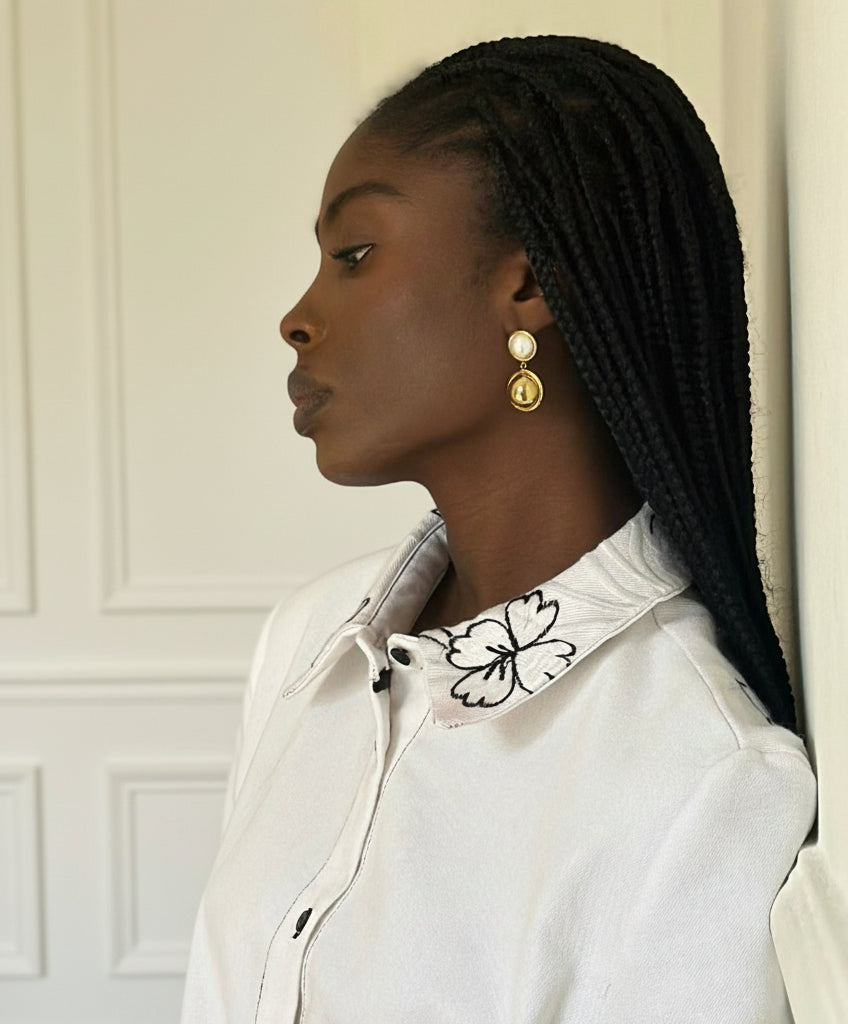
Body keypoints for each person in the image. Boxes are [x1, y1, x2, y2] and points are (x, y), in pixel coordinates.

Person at [179, 36, 816, 1023]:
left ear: (528, 287)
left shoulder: (700, 779)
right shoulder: (307, 645)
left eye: (354, 255)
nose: (297, 318)